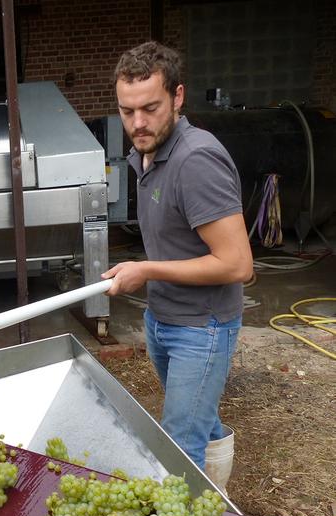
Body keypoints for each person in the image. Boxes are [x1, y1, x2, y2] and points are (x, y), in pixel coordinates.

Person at [102, 42, 253, 474]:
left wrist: (146, 270)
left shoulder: (195, 160)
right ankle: (217, 499)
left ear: (178, 96)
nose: (138, 123)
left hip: (201, 329)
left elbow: (238, 265)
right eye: (127, 111)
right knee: (198, 423)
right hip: (163, 318)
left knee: (177, 448)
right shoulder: (146, 152)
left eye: (150, 108)